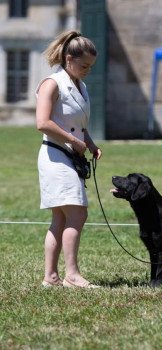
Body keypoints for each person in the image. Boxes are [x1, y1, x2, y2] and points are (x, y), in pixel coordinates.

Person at [36, 30, 102, 288]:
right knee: (78, 214)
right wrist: (74, 141)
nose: (87, 70)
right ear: (68, 58)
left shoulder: (80, 85)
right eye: (84, 65)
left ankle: (51, 277)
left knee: (61, 218)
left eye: (91, 66)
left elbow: (78, 124)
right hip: (55, 156)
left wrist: (91, 144)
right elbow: (42, 123)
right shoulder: (51, 83)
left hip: (70, 155)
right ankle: (72, 275)